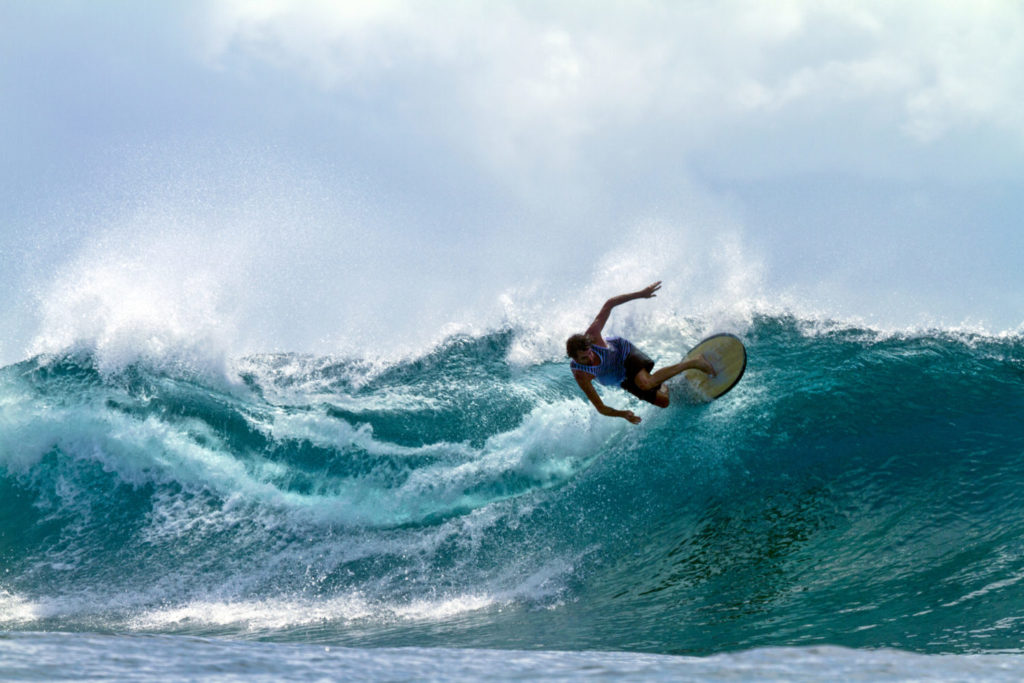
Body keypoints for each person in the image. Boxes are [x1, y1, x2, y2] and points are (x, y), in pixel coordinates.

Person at [567, 281, 715, 424]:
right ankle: (668, 383)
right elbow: (601, 408)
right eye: (585, 358)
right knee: (663, 402)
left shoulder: (592, 335)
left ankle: (694, 362)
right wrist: (622, 414)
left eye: (590, 353)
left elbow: (609, 303)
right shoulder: (581, 374)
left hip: (624, 353)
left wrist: (641, 294)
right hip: (622, 378)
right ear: (575, 358)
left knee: (645, 383)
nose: (591, 358)